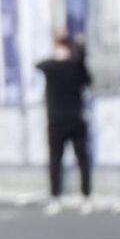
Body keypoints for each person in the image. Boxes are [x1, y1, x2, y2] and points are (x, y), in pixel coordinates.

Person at [36, 32, 93, 216]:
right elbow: (38, 65)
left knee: (81, 160)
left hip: (74, 120)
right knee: (55, 161)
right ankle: (55, 197)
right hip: (56, 121)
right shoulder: (52, 67)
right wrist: (74, 57)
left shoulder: (75, 67)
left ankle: (85, 197)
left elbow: (88, 80)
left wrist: (77, 58)